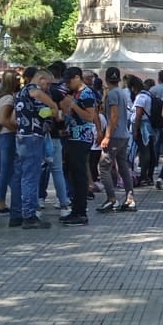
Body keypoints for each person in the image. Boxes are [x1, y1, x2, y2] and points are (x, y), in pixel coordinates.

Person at [9, 68, 58, 228]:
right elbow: (36, 93)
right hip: (31, 138)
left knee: (25, 176)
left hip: (25, 136)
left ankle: (22, 213)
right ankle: (29, 215)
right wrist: (53, 105)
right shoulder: (31, 89)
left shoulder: (22, 95)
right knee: (31, 177)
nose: (47, 88)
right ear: (41, 79)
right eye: (47, 83)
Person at [58, 67, 99, 226]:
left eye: (69, 81)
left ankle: (80, 212)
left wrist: (73, 105)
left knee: (79, 176)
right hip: (72, 137)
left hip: (81, 139)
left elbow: (89, 116)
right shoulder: (75, 94)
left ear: (77, 78)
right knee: (72, 175)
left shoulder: (87, 93)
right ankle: (75, 210)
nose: (67, 85)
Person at [97, 68, 137, 212]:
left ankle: (111, 199)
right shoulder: (122, 93)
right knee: (123, 167)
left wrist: (107, 136)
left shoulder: (112, 94)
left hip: (114, 136)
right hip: (124, 135)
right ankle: (129, 198)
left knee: (104, 167)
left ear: (106, 80)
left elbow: (113, 116)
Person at [0, 70, 23, 216]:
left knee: (5, 170)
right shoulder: (8, 98)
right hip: (7, 136)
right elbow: (4, 120)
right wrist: (18, 129)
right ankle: (0, 202)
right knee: (6, 171)